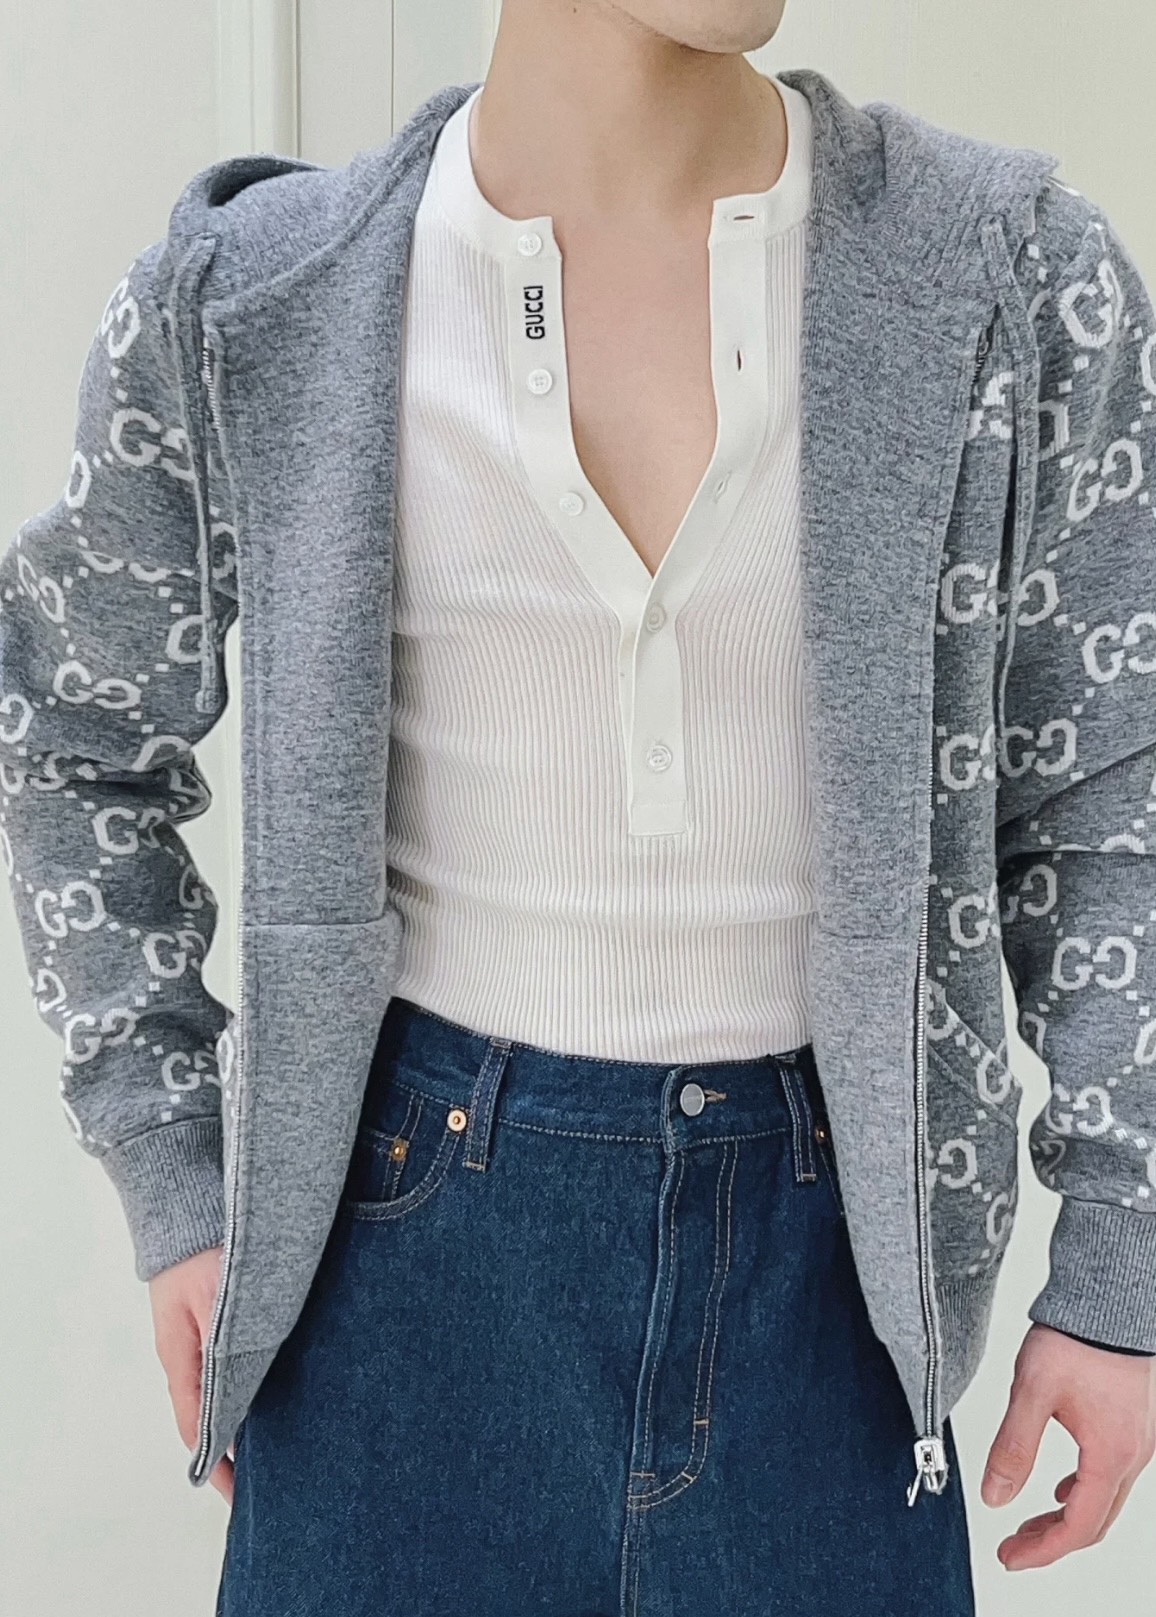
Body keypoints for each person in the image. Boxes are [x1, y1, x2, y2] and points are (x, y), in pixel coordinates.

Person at [3, 2, 1155, 1612]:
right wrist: (172, 1163)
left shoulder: (1012, 280)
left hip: (830, 1296)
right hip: (393, 1271)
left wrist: (1120, 1249)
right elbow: (67, 726)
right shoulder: (257, 301)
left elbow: (1111, 786)